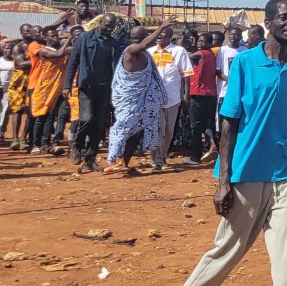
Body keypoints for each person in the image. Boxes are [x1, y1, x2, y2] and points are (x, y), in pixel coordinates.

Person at [163, 0, 287, 286]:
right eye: (284, 17)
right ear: (268, 21)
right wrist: (223, 178)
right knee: (227, 250)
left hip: (284, 175)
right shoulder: (246, 63)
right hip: (244, 173)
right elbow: (228, 122)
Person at [106, 24, 174, 175]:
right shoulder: (131, 50)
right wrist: (162, 26)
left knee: (136, 133)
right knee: (123, 129)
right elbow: (143, 44)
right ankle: (112, 160)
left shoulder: (145, 55)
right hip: (129, 100)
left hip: (143, 101)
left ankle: (124, 164)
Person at [64, 13, 121, 173]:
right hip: (86, 86)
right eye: (107, 25)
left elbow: (116, 67)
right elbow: (73, 61)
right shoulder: (85, 38)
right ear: (100, 23)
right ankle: (76, 146)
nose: (109, 28)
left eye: (112, 26)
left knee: (99, 125)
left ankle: (91, 158)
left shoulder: (113, 43)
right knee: (87, 118)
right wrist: (67, 85)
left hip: (105, 88)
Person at [151, 28, 194, 168]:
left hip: (173, 98)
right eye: (158, 36)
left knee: (168, 131)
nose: (159, 38)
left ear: (169, 37)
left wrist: (187, 95)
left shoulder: (178, 51)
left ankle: (162, 157)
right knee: (159, 129)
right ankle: (157, 161)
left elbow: (186, 75)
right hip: (154, 99)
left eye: (162, 36)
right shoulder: (149, 52)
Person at [26, 25, 71, 155]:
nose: (55, 38)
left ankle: (46, 144)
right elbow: (58, 54)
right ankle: (35, 144)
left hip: (57, 87)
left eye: (56, 35)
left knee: (51, 116)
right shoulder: (44, 51)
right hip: (44, 87)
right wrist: (69, 37)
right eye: (52, 36)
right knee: (41, 116)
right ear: (46, 38)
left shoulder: (61, 47)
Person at [186, 32, 220, 165]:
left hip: (198, 92)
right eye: (199, 41)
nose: (200, 44)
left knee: (195, 125)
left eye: (203, 42)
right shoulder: (212, 54)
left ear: (210, 44)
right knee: (208, 122)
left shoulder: (201, 54)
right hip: (211, 93)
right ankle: (212, 145)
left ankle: (195, 155)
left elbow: (188, 56)